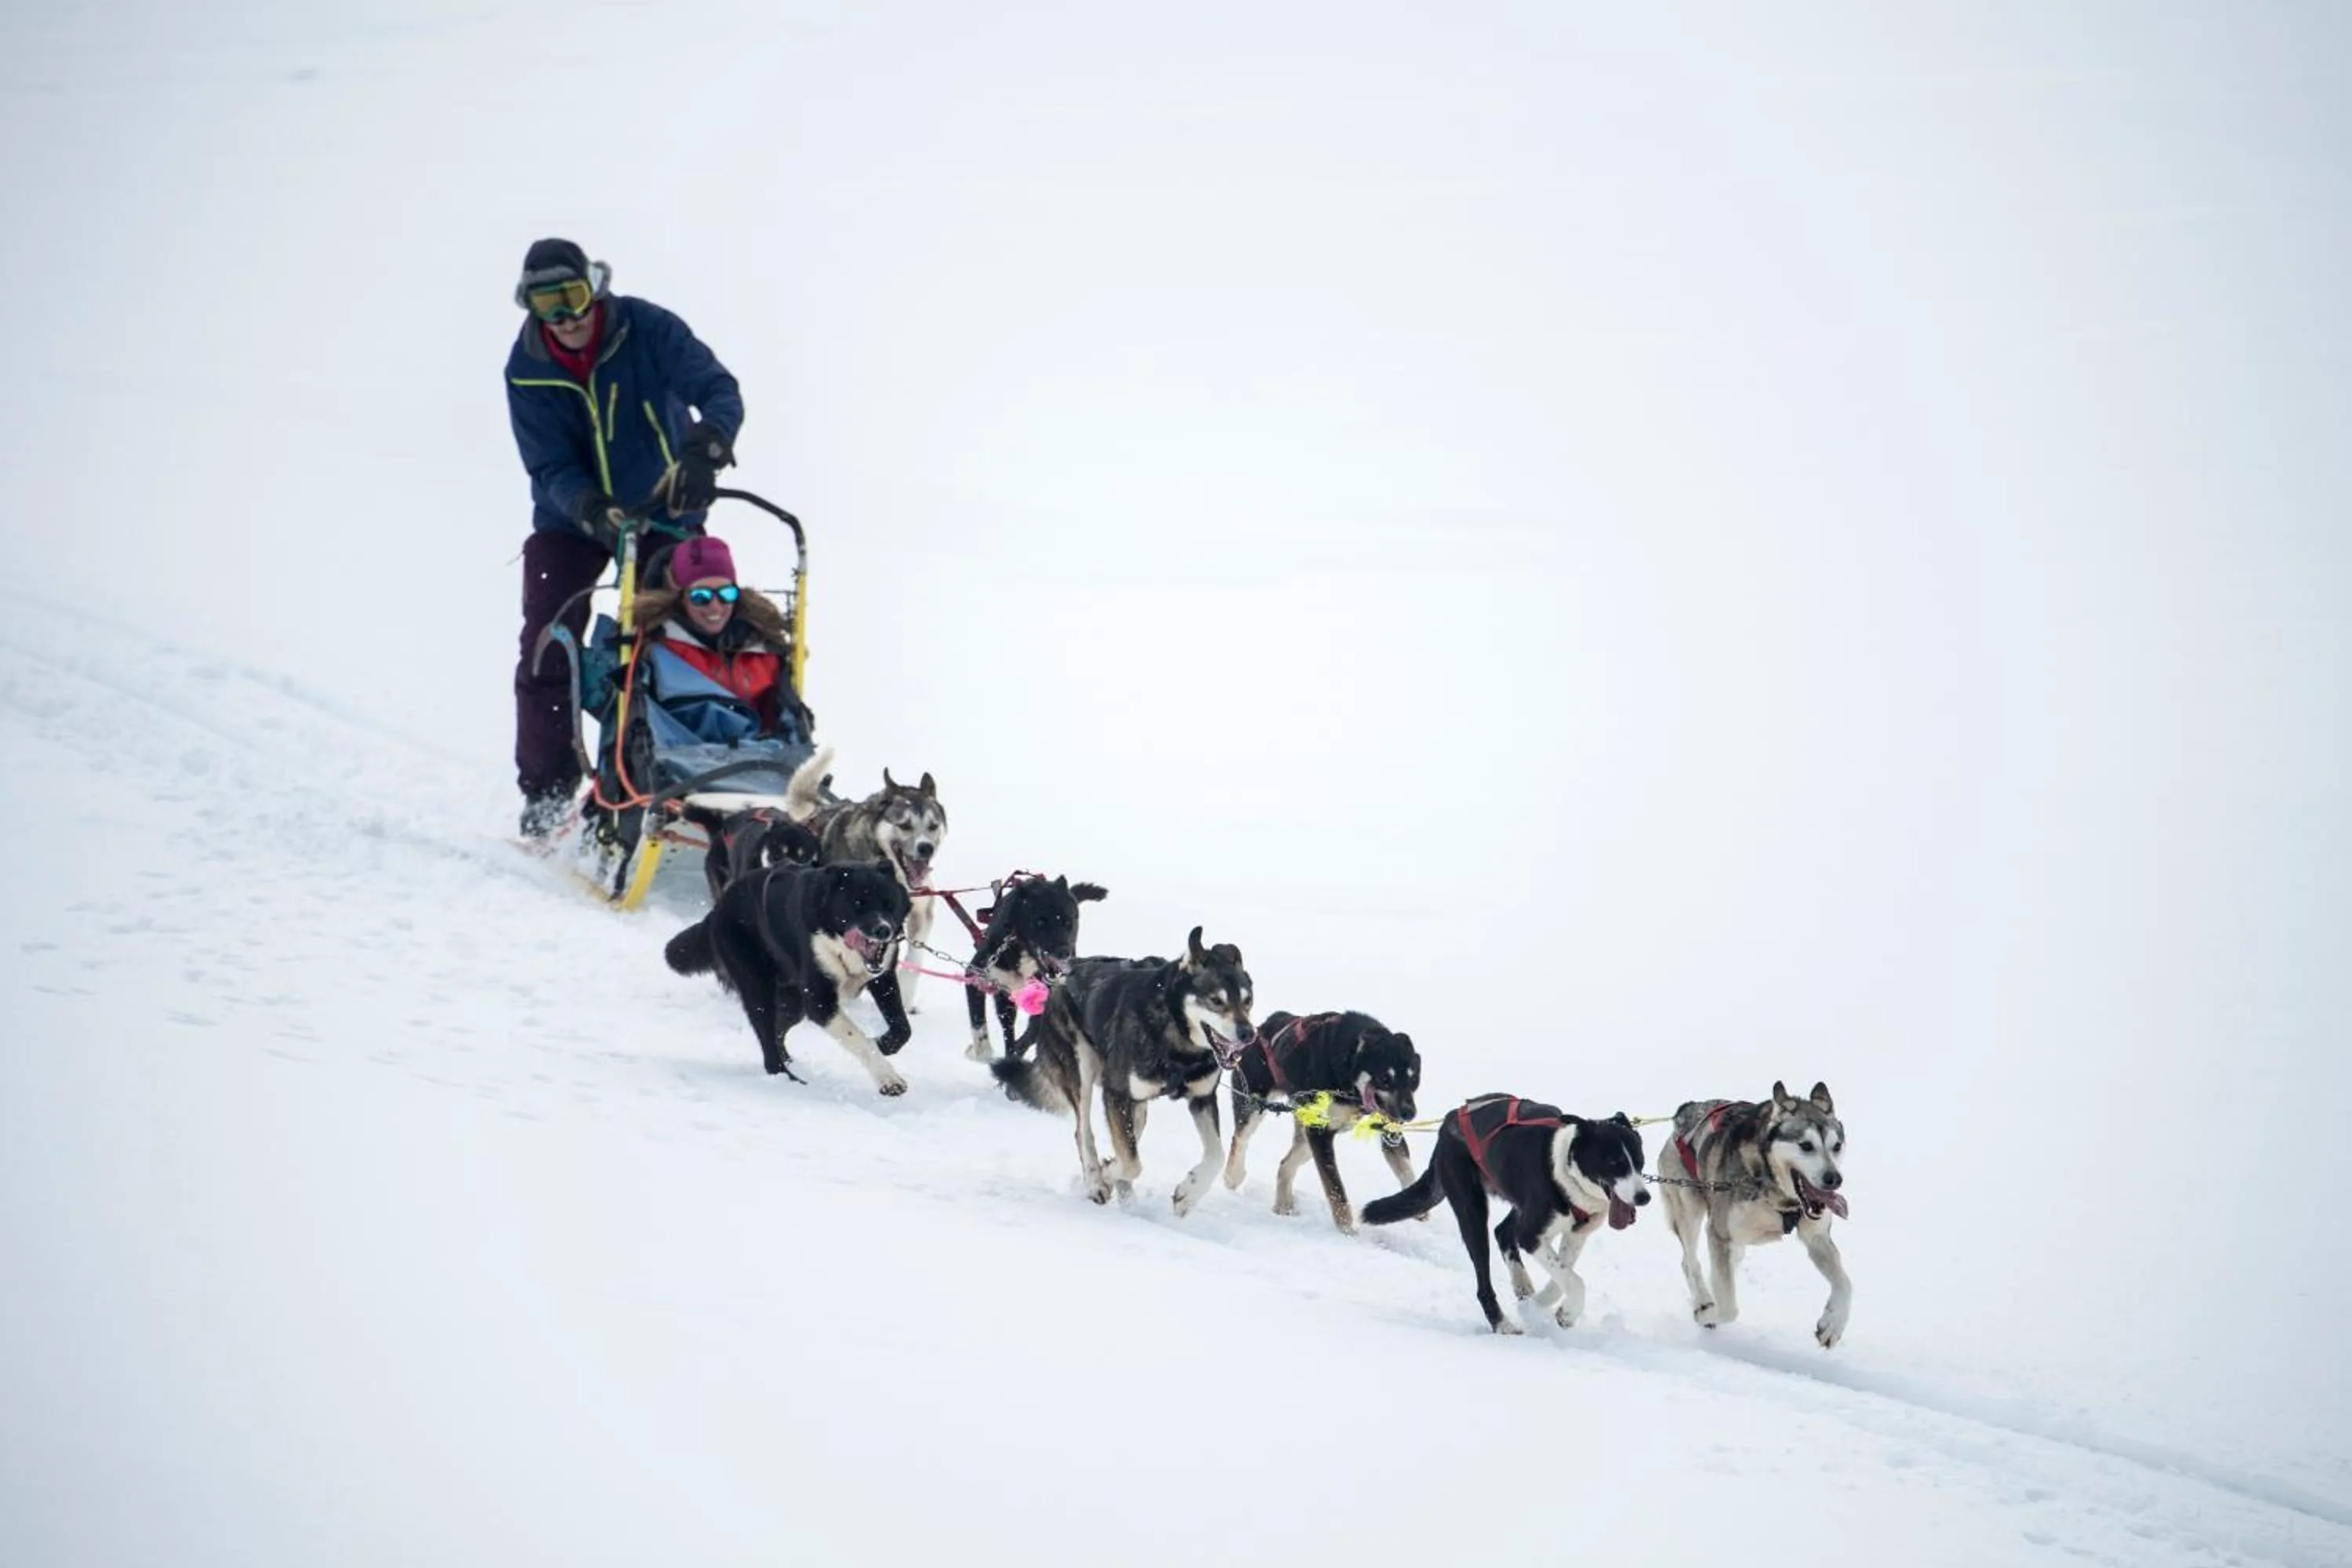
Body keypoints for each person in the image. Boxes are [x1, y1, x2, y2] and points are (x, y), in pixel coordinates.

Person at [506, 237, 745, 838]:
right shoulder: (528, 370)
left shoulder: (647, 329)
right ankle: (549, 790)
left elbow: (719, 390)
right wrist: (591, 509)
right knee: (547, 642)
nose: (567, 317)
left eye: (574, 297)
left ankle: (689, 779)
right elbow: (549, 464)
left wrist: (705, 449)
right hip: (574, 521)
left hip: (668, 510)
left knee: (686, 638)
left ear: (596, 287)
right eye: (548, 304)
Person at [637, 535, 811, 745]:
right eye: (700, 596)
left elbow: (783, 720)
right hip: (678, 768)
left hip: (759, 768)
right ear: (680, 596)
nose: (716, 607)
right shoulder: (657, 651)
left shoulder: (766, 651)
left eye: (726, 594)